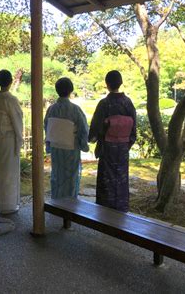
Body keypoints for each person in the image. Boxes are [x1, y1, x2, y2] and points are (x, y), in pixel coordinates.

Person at [89, 70, 136, 212]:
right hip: (122, 148)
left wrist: (92, 138)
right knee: (121, 178)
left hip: (107, 147)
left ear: (107, 84)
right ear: (120, 83)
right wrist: (126, 142)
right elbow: (133, 128)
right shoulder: (128, 103)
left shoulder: (104, 104)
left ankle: (105, 209)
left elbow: (95, 128)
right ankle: (121, 206)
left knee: (106, 177)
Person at [44, 77, 89, 199]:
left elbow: (46, 127)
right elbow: (83, 129)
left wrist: (49, 145)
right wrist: (83, 144)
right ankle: (69, 203)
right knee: (70, 176)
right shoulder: (75, 109)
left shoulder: (51, 109)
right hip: (71, 147)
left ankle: (56, 200)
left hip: (56, 147)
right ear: (71, 90)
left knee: (57, 174)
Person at [0, 70, 23, 214]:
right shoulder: (11, 100)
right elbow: (17, 121)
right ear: (10, 82)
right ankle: (10, 205)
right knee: (9, 171)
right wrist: (19, 140)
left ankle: (1, 204)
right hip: (8, 139)